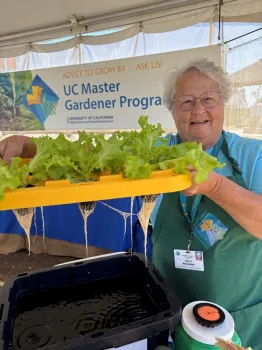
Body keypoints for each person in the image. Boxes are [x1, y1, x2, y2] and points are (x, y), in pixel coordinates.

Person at [0, 58, 261, 349]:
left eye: (209, 99)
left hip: (240, 321)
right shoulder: (158, 152)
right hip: (171, 310)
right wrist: (29, 146)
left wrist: (214, 185)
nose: (198, 110)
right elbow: (92, 157)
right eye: (185, 101)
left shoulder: (253, 156)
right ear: (172, 110)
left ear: (223, 102)